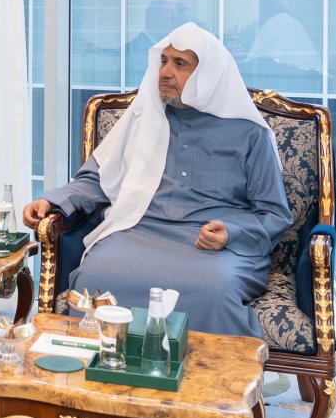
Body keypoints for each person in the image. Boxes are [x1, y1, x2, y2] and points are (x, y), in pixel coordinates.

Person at [23, 22, 290, 337]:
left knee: (214, 290)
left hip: (212, 246)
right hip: (140, 230)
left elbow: (273, 213)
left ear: (208, 74)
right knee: (94, 275)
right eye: (164, 61)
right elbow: (97, 179)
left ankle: (211, 382)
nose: (165, 71)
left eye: (180, 64)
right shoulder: (143, 116)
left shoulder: (249, 133)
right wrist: (51, 201)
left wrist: (230, 234)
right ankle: (94, 377)